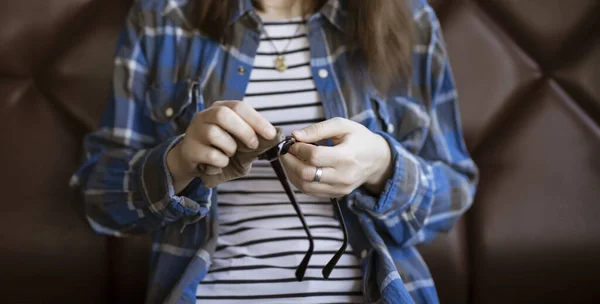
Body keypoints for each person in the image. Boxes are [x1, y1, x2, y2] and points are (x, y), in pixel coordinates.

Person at [72, 0, 478, 303]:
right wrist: (178, 163)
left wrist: (384, 167)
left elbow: (454, 193)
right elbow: (97, 200)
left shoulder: (410, 17)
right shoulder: (163, 18)